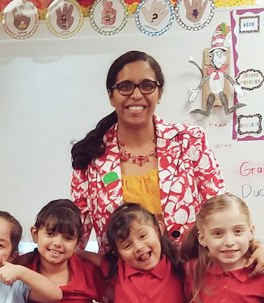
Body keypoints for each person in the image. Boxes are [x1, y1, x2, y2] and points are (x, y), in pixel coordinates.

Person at [70, 50, 224, 249]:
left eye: (147, 86)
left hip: (186, 267)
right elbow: (74, 241)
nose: (136, 95)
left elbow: (220, 214)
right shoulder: (91, 155)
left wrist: (254, 247)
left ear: (159, 94)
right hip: (119, 269)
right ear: (111, 96)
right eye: (125, 87)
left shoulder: (189, 141)